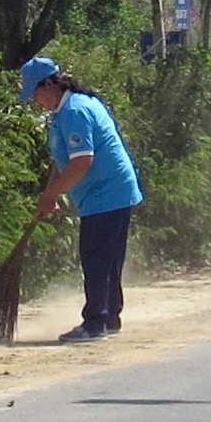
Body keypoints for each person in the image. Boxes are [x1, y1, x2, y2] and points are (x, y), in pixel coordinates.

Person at [20, 55, 145, 343]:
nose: (36, 100)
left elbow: (82, 162)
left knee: (97, 259)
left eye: (36, 93)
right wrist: (49, 193)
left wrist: (53, 194)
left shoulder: (74, 112)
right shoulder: (69, 109)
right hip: (112, 192)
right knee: (107, 258)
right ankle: (110, 317)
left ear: (50, 85)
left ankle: (95, 322)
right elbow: (62, 160)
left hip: (106, 193)